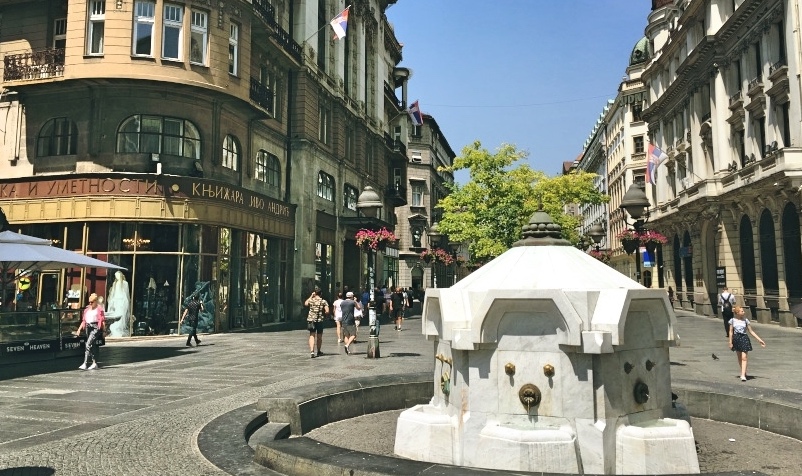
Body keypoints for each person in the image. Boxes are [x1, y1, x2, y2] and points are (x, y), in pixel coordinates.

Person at [728, 305, 766, 381]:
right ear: (737, 312)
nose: (743, 312)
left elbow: (751, 331)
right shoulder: (732, 320)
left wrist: (759, 340)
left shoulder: (746, 320)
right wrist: (730, 342)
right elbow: (731, 331)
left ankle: (742, 375)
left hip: (744, 338)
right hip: (736, 338)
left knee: (744, 357)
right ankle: (743, 372)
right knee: (739, 357)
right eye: (742, 311)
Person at [76, 293, 105, 370]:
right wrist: (79, 329)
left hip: (95, 327)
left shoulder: (99, 309)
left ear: (96, 301)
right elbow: (83, 320)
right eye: (89, 302)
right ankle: (94, 363)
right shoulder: (87, 310)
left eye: (92, 302)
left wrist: (104, 331)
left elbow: (102, 320)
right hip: (88, 327)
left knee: (88, 344)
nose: (90, 303)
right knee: (92, 345)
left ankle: (85, 363)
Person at [304, 286, 329, 358]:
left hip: (311, 320)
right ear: (321, 294)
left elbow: (305, 303)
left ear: (315, 293)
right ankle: (318, 351)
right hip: (319, 320)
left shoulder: (311, 300)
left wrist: (311, 296)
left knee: (312, 335)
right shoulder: (323, 301)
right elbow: (327, 311)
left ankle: (312, 351)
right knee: (319, 336)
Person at [107, 270, 131, 337]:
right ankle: (116, 329)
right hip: (116, 301)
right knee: (116, 315)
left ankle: (119, 329)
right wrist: (113, 301)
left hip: (122, 301)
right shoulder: (115, 283)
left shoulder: (125, 283)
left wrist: (126, 302)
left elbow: (126, 294)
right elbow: (113, 293)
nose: (116, 277)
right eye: (115, 276)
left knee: (121, 315)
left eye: (117, 275)